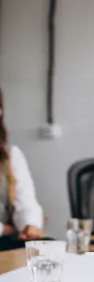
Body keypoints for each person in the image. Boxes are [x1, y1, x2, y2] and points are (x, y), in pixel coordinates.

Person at [0, 87, 46, 250]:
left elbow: (26, 200)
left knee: (50, 249)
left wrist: (29, 225)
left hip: (6, 241)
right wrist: (4, 229)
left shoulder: (11, 154)